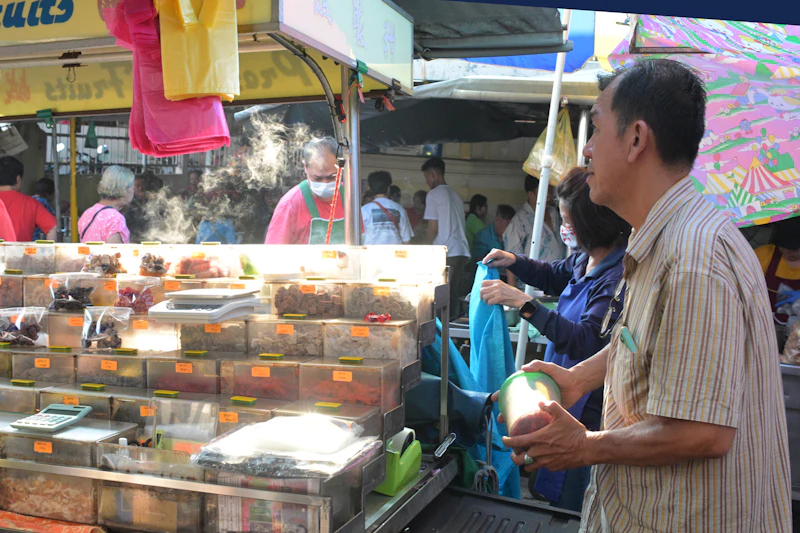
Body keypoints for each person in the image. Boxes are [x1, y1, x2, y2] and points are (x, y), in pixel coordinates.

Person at [492, 59, 791, 531]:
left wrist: (586, 446)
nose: (586, 150)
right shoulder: (659, 239)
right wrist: (578, 380)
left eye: (597, 129)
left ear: (636, 140)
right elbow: (641, 339)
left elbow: (703, 433)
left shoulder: (693, 257)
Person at [479, 167, 631, 512]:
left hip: (587, 406)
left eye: (570, 221)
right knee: (549, 483)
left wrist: (524, 303)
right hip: (560, 392)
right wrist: (515, 262)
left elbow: (587, 342)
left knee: (574, 496)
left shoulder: (617, 276)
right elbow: (553, 274)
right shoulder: (585, 259)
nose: (566, 229)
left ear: (594, 221)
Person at [265, 137, 353, 244]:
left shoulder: (350, 197)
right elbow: (274, 254)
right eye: (318, 178)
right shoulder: (290, 204)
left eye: (332, 177)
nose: (325, 183)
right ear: (305, 167)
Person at [421, 157, 470, 314]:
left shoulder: (434, 195)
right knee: (452, 294)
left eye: (427, 177)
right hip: (461, 251)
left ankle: (444, 333)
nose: (427, 182)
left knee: (441, 297)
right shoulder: (455, 195)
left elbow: (433, 228)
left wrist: (424, 248)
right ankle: (452, 332)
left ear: (434, 174)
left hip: (446, 252)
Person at [504, 175, 565, 291]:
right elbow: (510, 260)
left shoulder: (555, 214)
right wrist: (513, 292)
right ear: (531, 194)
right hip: (533, 288)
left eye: (550, 191)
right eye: (543, 192)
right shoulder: (519, 222)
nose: (548, 196)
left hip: (558, 282)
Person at [754, 216, 800, 325]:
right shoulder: (764, 254)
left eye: (794, 249)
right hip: (764, 323)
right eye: (783, 247)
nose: (788, 252)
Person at [0, 156, 57, 241]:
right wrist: (47, 253)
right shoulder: (31, 203)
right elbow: (53, 228)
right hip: (21, 254)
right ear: (18, 179)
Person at [78, 166, 135, 244]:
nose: (133, 192)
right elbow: (114, 253)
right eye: (133, 188)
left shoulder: (88, 212)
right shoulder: (116, 218)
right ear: (124, 189)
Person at [361, 171, 414, 245]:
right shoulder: (399, 209)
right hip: (394, 255)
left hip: (370, 255)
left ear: (371, 189)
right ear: (388, 188)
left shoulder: (364, 210)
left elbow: (360, 237)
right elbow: (406, 239)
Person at [472, 204, 515, 270]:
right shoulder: (482, 236)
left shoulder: (512, 236)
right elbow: (479, 260)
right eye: (507, 224)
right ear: (497, 220)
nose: (511, 228)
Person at [126, 171, 164, 244]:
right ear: (132, 188)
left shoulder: (152, 200)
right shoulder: (129, 202)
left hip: (151, 238)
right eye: (137, 186)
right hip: (134, 238)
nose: (140, 188)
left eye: (142, 186)